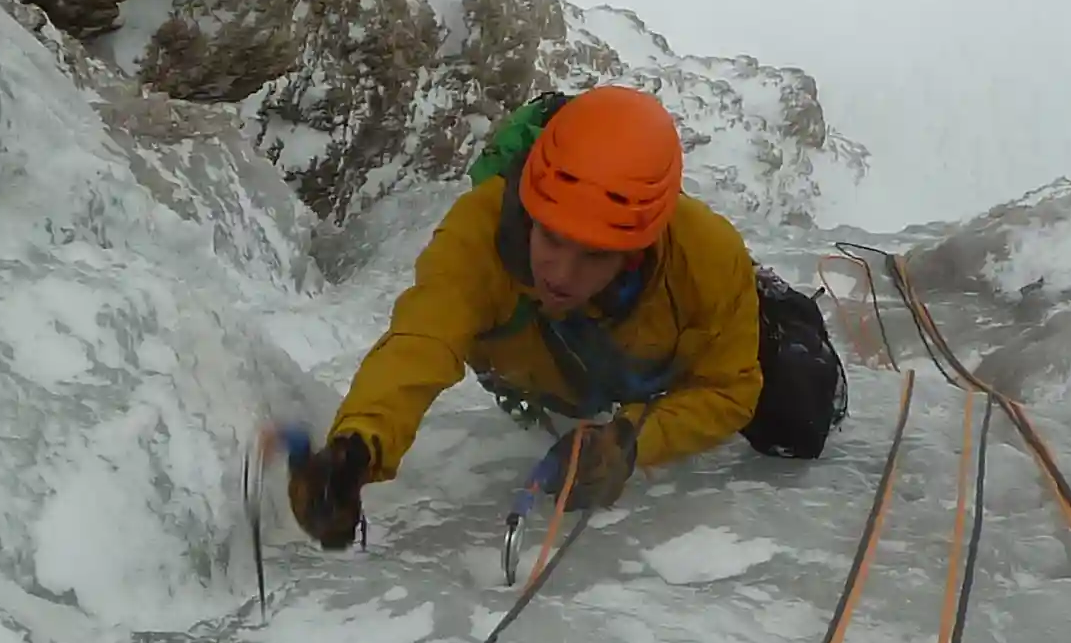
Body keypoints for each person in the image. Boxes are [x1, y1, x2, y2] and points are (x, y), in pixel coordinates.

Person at [288, 83, 826, 551]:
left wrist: (635, 440)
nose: (561, 274)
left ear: (638, 247)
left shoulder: (705, 256)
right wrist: (356, 448)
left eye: (595, 254)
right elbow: (420, 341)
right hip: (555, 374)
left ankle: (770, 298)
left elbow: (730, 390)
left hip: (652, 356)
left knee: (797, 413)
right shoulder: (477, 238)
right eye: (551, 238)